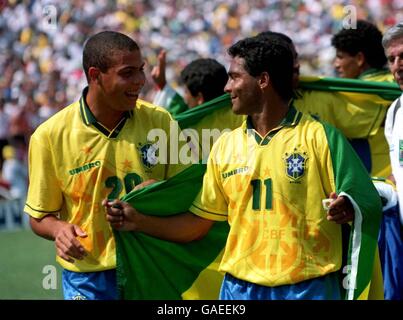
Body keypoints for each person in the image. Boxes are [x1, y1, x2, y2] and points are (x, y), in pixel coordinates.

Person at [104, 36, 382, 300]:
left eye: (235, 77)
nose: (227, 87)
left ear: (262, 80)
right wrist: (139, 221)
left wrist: (348, 207)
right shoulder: (225, 146)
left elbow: (365, 200)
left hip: (307, 287)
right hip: (240, 289)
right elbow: (197, 225)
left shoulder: (322, 137)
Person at [24, 31, 186, 300]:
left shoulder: (160, 121)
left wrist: (160, 190)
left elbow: (189, 191)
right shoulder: (49, 136)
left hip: (150, 265)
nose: (140, 81)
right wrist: (59, 230)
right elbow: (40, 217)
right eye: (128, 73)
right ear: (95, 75)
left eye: (141, 71)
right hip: (87, 277)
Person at [331, 20, 395, 178]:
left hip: (382, 184)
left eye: (340, 57)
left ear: (359, 58)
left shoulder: (350, 95)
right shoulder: (394, 82)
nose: (336, 64)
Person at [151, 50, 228, 115]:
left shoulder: (189, 128)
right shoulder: (237, 120)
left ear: (200, 98)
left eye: (186, 92)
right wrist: (162, 84)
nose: (184, 98)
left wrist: (162, 84)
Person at [383, 22, 403, 223]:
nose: (398, 65)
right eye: (392, 59)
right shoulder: (395, 111)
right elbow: (398, 170)